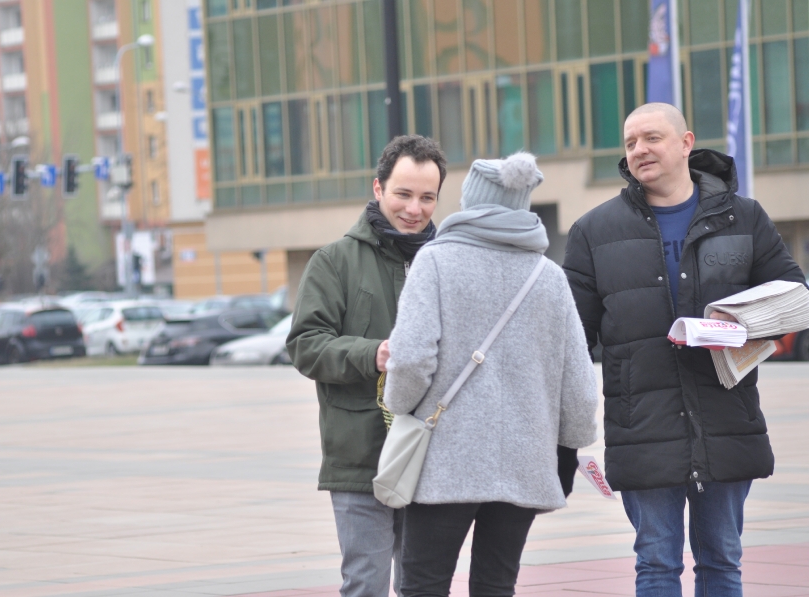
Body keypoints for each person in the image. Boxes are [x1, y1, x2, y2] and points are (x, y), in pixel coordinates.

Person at [563, 102, 805, 597]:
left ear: (686, 143)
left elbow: (794, 298)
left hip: (726, 418)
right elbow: (570, 338)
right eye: (630, 143)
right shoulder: (594, 231)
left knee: (722, 561)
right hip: (641, 425)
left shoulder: (744, 217)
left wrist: (740, 321)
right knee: (655, 563)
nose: (639, 150)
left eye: (651, 138)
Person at [383, 152, 599, 597]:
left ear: (471, 201)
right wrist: (567, 449)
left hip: (445, 461)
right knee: (497, 585)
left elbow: (411, 359)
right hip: (525, 462)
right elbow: (579, 388)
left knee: (422, 585)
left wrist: (400, 406)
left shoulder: (435, 261)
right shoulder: (549, 276)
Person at [286, 135, 448, 597]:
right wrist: (372, 354)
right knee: (366, 585)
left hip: (432, 455)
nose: (414, 209)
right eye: (403, 194)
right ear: (378, 188)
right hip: (360, 457)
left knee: (424, 586)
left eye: (427, 197)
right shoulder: (334, 261)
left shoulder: (447, 262)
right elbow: (305, 345)